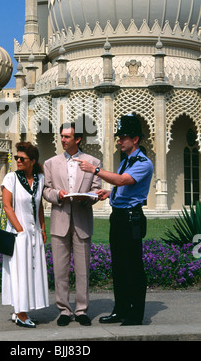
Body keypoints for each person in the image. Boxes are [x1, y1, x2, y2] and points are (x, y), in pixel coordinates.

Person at [76, 114, 153, 326]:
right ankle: (120, 310)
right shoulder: (126, 161)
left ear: (135, 139)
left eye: (124, 137)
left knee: (133, 266)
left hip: (131, 218)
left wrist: (95, 171)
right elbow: (123, 186)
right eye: (118, 136)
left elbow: (123, 180)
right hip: (119, 217)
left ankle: (135, 314)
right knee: (118, 265)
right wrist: (109, 193)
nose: (119, 140)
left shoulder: (143, 162)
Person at [43, 122, 101, 327]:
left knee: (83, 269)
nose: (63, 140)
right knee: (60, 270)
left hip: (82, 221)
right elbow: (46, 191)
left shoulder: (92, 161)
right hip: (59, 220)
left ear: (78, 139)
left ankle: (82, 310)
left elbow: (96, 190)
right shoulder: (50, 163)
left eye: (67, 137)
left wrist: (87, 198)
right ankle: (64, 311)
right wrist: (57, 195)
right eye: (62, 136)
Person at [1, 141, 49, 328]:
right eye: (17, 158)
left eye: (22, 158)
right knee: (19, 272)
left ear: (32, 161)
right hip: (18, 234)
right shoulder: (11, 178)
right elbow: (7, 206)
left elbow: (39, 207)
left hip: (34, 233)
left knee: (30, 271)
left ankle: (19, 311)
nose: (18, 161)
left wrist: (43, 229)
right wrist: (20, 231)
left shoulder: (40, 179)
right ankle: (20, 314)